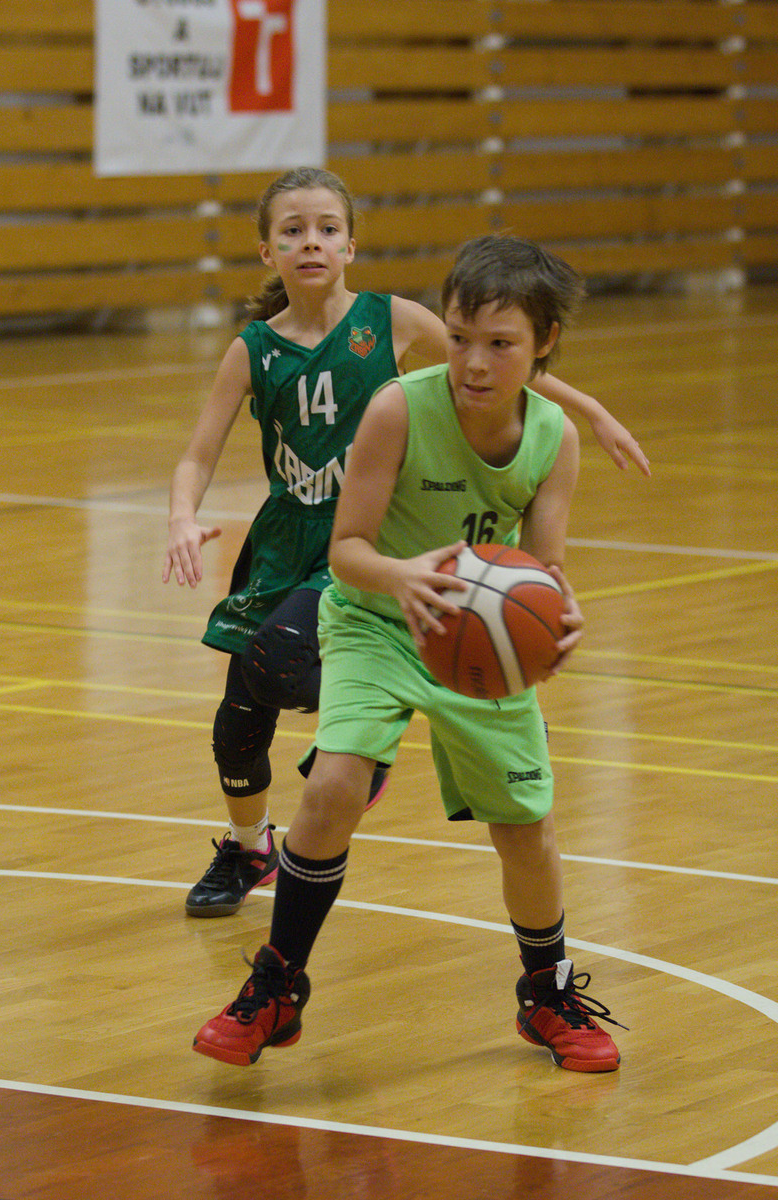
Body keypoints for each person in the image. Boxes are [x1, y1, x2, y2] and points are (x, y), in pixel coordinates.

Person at [163, 167, 649, 925]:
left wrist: (592, 410)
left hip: (366, 540)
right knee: (239, 716)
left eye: (327, 228)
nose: (311, 242)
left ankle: (364, 750)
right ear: (266, 251)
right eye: (293, 231)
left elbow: (497, 362)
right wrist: (180, 518)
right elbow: (197, 455)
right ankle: (249, 845)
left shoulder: (388, 320)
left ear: (351, 245)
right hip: (286, 537)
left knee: (282, 659)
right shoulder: (252, 349)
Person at [192, 233, 629, 1075]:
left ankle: (546, 993)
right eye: (459, 337)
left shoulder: (554, 438)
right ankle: (277, 987)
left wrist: (561, 615)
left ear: (544, 344)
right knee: (332, 788)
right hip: (375, 619)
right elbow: (347, 549)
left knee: (527, 828)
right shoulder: (398, 407)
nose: (473, 362)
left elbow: (544, 570)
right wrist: (404, 577)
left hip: (475, 639)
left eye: (499, 344)